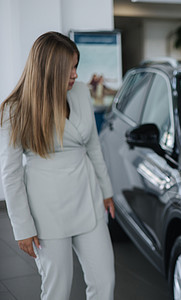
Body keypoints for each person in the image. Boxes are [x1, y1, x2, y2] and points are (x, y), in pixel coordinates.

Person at [0, 32, 115, 300]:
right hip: (46, 208)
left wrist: (106, 191)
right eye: (69, 69)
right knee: (58, 290)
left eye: (76, 66)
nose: (75, 75)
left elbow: (94, 147)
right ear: (50, 70)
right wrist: (23, 227)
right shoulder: (14, 110)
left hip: (87, 195)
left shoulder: (81, 93)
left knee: (105, 282)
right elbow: (11, 173)